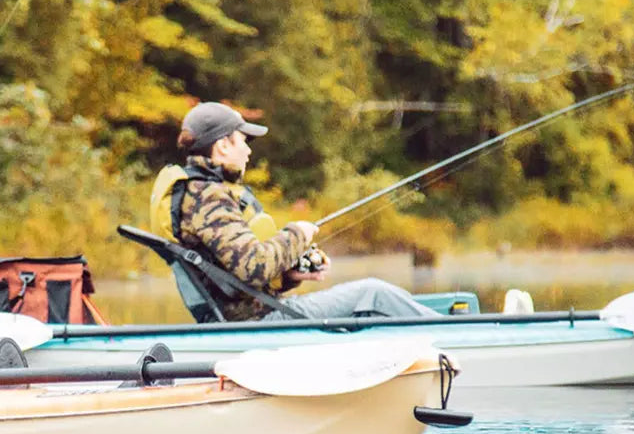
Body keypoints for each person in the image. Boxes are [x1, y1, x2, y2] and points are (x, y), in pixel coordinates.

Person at [149, 100, 441, 323]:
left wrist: (290, 275)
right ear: (223, 145)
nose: (249, 151)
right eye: (243, 141)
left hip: (254, 319)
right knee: (374, 293)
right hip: (258, 326)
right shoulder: (207, 197)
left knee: (375, 297)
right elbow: (255, 265)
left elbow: (234, 277)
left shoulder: (199, 194)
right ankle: (463, 338)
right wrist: (297, 234)